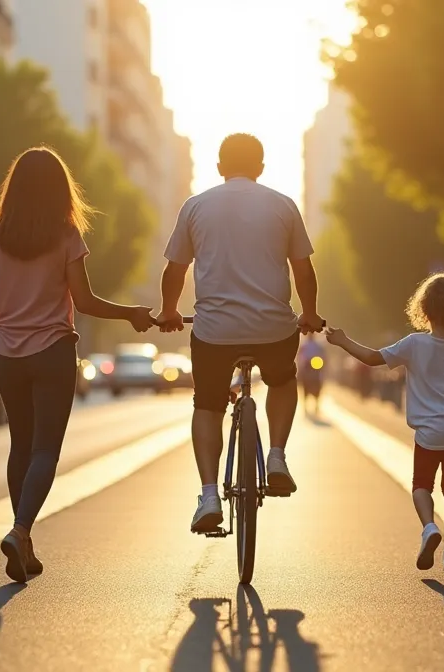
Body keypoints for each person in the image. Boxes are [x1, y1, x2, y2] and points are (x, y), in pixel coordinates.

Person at [0, 146, 154, 583]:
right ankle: (21, 530)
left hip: (7, 355)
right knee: (45, 449)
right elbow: (84, 301)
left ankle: (22, 544)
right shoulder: (66, 235)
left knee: (20, 446)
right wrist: (131, 313)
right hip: (52, 351)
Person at [155, 133, 324, 534]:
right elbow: (304, 271)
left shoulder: (195, 207)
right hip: (274, 328)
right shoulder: (283, 205)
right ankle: (278, 457)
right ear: (261, 168)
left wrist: (167, 311)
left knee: (208, 405)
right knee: (282, 380)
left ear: (218, 167)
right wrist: (311, 314)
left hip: (214, 331)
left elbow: (174, 271)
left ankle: (210, 494)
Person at [325, 273, 444, 574]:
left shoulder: (413, 344)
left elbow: (371, 358)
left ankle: (429, 527)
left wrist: (343, 341)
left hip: (429, 434)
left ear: (424, 308)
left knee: (421, 486)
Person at [297, 333, 326, 416]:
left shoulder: (318, 346)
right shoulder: (304, 345)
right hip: (307, 368)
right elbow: (299, 357)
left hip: (316, 368)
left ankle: (316, 405)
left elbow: (323, 357)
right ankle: (306, 405)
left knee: (317, 386)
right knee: (305, 386)